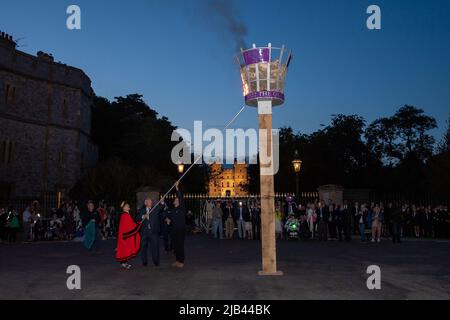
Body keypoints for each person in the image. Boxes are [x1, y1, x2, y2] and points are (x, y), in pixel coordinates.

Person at [137, 196, 163, 267]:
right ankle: (144, 262)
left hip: (153, 232)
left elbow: (161, 207)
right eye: (149, 201)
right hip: (144, 232)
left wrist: (162, 202)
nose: (150, 202)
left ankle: (156, 261)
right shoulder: (141, 210)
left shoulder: (155, 208)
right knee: (143, 247)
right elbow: (137, 218)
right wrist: (143, 216)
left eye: (151, 201)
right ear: (145, 203)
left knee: (155, 247)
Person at [116, 202, 142, 269]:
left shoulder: (125, 215)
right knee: (124, 249)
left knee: (124, 249)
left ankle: (124, 263)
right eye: (127, 206)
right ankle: (124, 263)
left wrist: (137, 224)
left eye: (129, 206)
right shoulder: (125, 215)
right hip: (124, 236)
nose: (129, 207)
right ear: (124, 208)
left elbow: (130, 224)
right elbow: (130, 226)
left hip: (124, 235)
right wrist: (138, 224)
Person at [167, 182, 186, 268]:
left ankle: (181, 261)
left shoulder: (181, 208)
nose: (176, 200)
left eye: (177, 200)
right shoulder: (172, 210)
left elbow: (181, 198)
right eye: (175, 199)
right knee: (175, 246)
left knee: (180, 245)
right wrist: (168, 220)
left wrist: (177, 188)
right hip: (174, 230)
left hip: (180, 229)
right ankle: (177, 260)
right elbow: (170, 219)